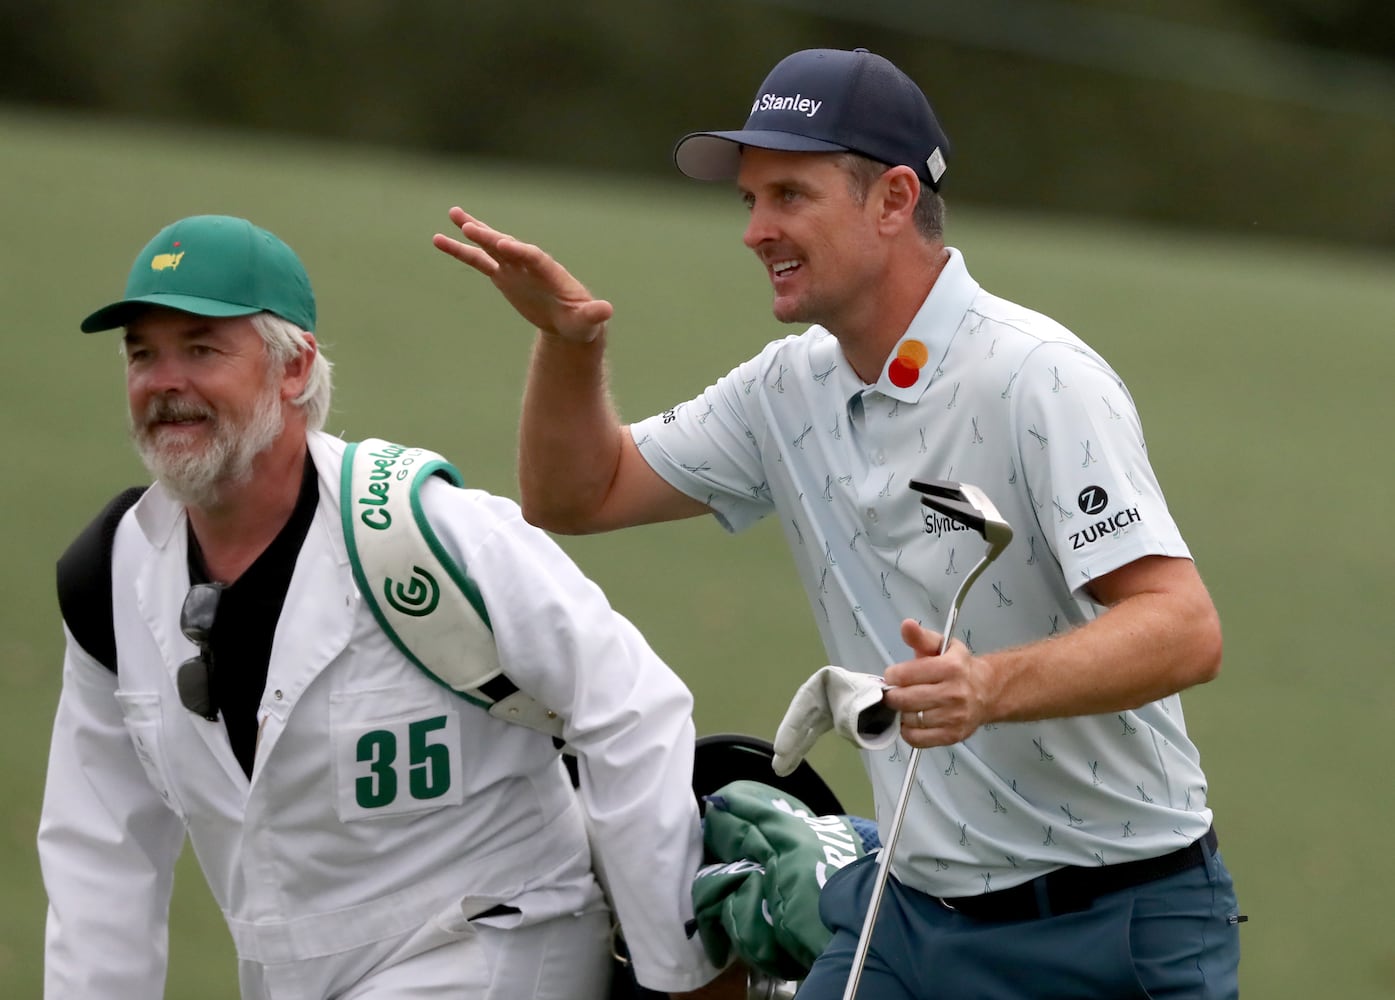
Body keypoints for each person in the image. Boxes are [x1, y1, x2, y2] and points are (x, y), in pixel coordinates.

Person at [434, 46, 1243, 999]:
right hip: (915, 914)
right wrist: (568, 345)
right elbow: (577, 494)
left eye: (788, 195)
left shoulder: (1038, 377)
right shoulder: (787, 387)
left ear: (893, 200)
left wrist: (987, 685)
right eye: (748, 201)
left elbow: (1183, 627)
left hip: (1112, 922)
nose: (754, 230)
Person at [38, 213, 739, 1000]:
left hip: (491, 943)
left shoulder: (419, 527)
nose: (163, 382)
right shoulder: (110, 578)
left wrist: (681, 972)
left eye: (200, 348)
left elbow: (628, 702)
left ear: (294, 367)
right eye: (142, 354)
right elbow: (100, 844)